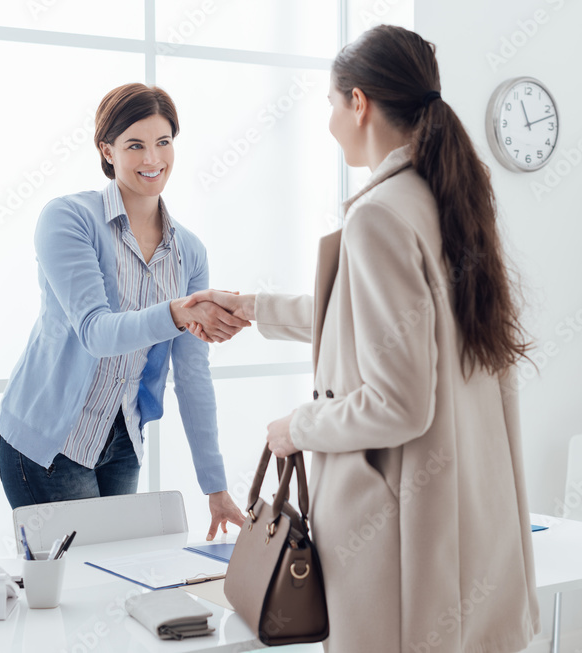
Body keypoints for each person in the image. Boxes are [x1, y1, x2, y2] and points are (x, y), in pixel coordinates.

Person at [186, 25, 540, 653]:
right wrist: (253, 307)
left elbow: (399, 403)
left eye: (330, 103)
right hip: (469, 516)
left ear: (360, 103)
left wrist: (298, 427)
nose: (327, 122)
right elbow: (374, 322)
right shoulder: (444, 194)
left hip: (401, 533)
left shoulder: (378, 214)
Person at [0, 83, 246, 541]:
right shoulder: (69, 220)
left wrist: (215, 487)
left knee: (113, 583)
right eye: (135, 145)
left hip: (122, 440)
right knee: (80, 581)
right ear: (106, 150)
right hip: (51, 440)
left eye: (163, 142)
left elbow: (192, 374)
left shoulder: (188, 252)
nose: (153, 159)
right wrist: (175, 313)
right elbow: (95, 331)